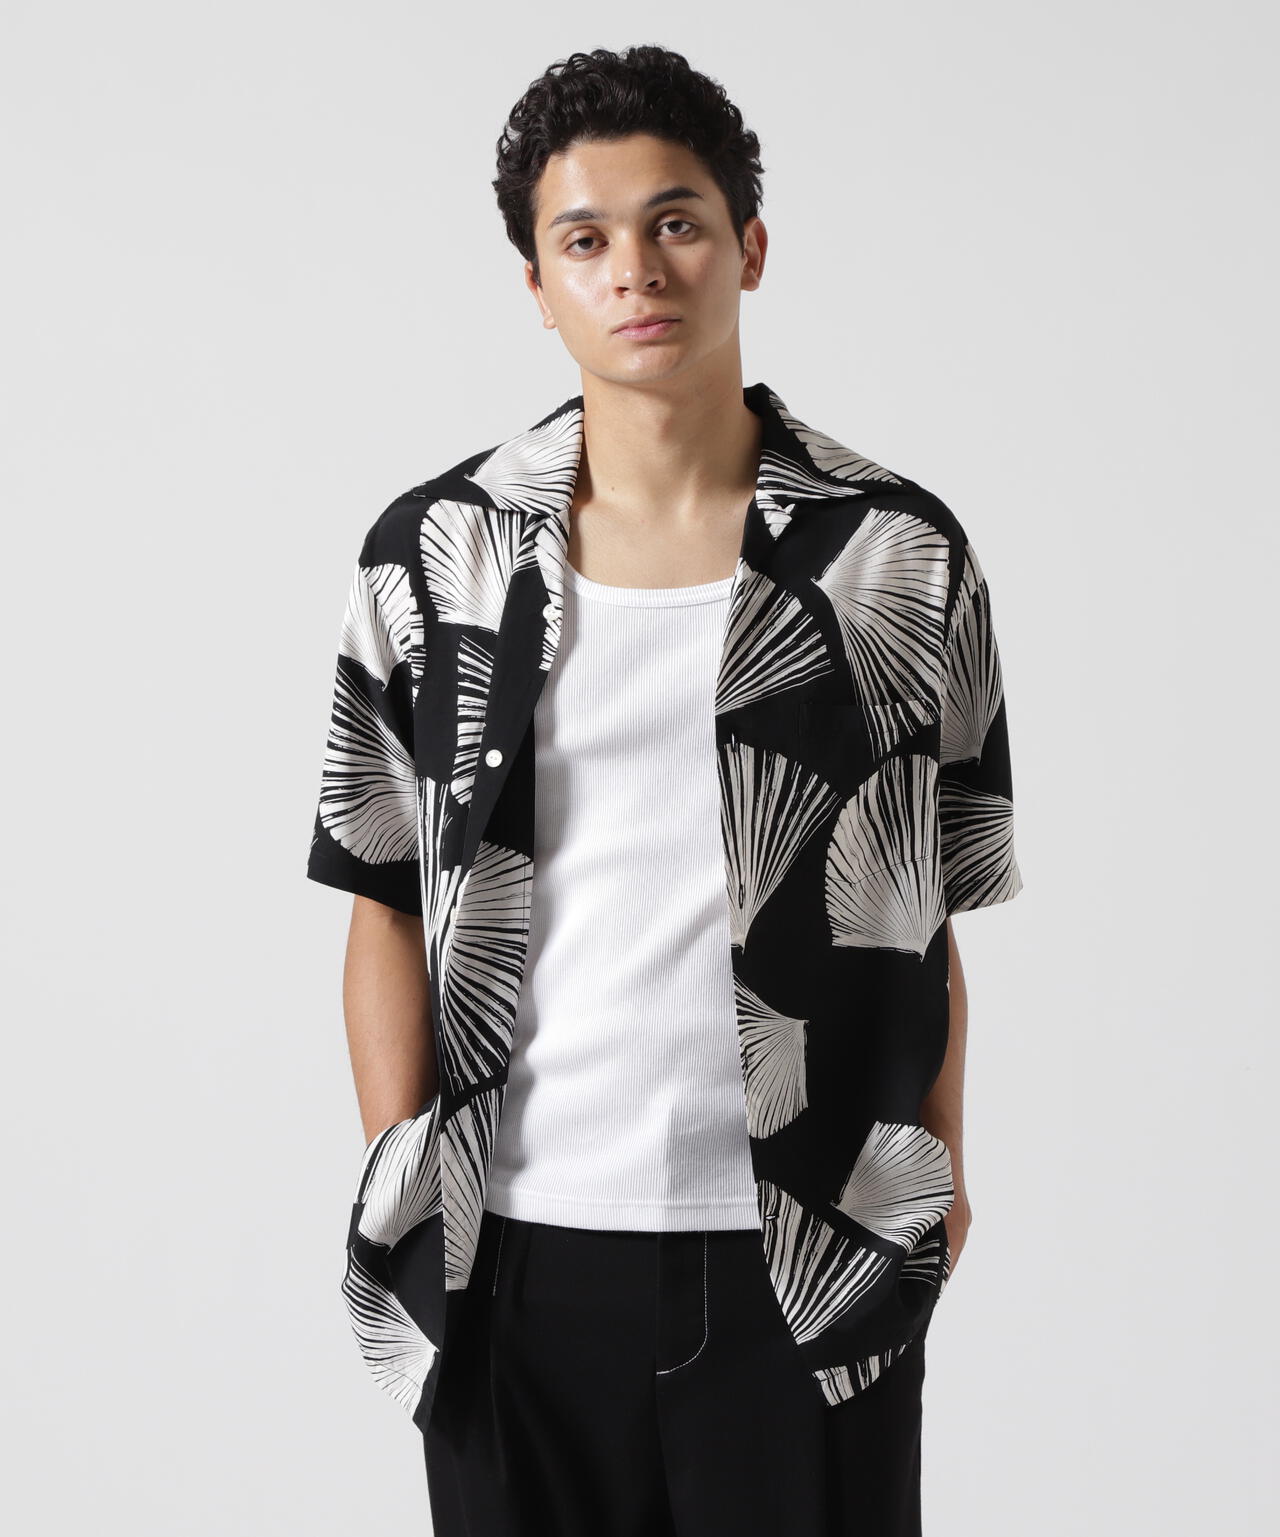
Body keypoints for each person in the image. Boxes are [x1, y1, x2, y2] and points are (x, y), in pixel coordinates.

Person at [306, 42, 1023, 1537]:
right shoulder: (436, 556)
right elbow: (377, 895)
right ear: (538, 284)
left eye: (676, 222)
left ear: (750, 245)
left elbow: (928, 902)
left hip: (809, 1258)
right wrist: (400, 1167)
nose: (635, 268)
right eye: (585, 239)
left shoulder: (894, 552)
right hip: (512, 1247)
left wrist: (939, 1165)